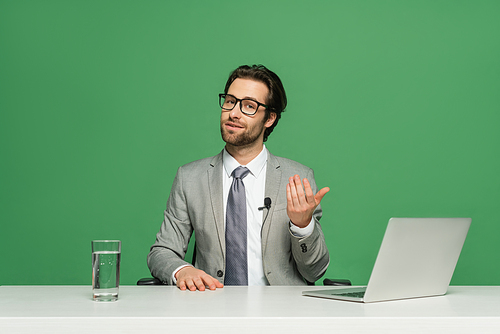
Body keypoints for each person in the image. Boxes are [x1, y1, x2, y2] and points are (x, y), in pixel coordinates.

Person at [148, 64, 330, 291]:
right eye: (230, 101)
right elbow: (162, 251)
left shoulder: (298, 178)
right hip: (212, 308)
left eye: (249, 106)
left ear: (270, 118)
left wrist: (302, 226)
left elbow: (315, 270)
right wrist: (182, 270)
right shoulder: (189, 178)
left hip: (281, 314)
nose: (233, 112)